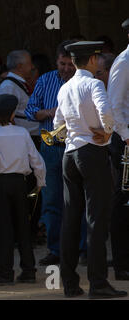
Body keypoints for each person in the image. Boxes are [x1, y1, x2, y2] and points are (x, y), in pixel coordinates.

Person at [55, 41, 126, 299]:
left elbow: (57, 125)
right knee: (96, 219)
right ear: (93, 60)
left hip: (69, 154)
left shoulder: (65, 88)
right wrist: (106, 133)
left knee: (71, 219)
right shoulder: (94, 84)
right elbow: (108, 115)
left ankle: (70, 283)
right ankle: (98, 283)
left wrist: (76, 134)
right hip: (91, 153)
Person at [25, 40, 88, 266]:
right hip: (51, 148)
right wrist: (50, 112)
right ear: (57, 61)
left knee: (80, 200)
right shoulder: (45, 80)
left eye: (70, 64)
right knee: (52, 201)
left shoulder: (86, 81)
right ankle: (56, 249)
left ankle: (82, 249)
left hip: (78, 145)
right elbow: (30, 111)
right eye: (62, 64)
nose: (66, 69)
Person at [0, 94, 45, 286]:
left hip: (1, 183)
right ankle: (28, 270)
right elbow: (37, 161)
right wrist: (40, 183)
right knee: (23, 227)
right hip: (21, 182)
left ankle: (4, 273)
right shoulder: (22, 133)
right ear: (11, 114)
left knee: (4, 229)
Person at [108, 19, 129, 281]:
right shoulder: (124, 62)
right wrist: (126, 136)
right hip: (126, 139)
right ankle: (122, 263)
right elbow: (114, 105)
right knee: (124, 201)